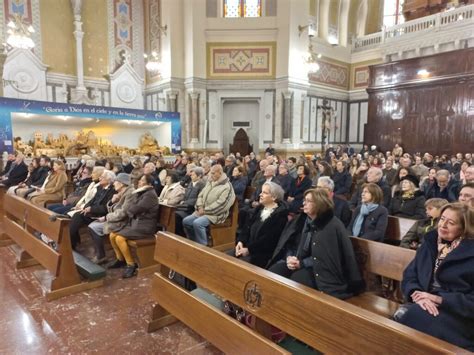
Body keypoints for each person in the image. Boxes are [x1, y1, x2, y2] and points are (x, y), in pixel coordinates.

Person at [396, 203, 474, 351]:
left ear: (464, 228)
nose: (443, 225)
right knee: (411, 316)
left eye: (451, 223)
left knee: (413, 317)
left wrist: (439, 299)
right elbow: (410, 275)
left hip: (458, 313)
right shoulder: (430, 243)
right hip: (423, 304)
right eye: (442, 219)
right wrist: (418, 295)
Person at [268, 188, 363, 299]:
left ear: (319, 204)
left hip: (325, 273)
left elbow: (325, 259)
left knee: (298, 279)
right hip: (306, 263)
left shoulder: (330, 226)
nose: (304, 203)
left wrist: (302, 264)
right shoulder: (307, 220)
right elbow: (297, 246)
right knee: (275, 271)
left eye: (308, 201)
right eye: (304, 200)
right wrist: (292, 259)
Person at [107, 174, 160, 278]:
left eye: (142, 180)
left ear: (149, 184)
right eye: (139, 180)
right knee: (112, 235)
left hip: (145, 227)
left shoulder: (150, 195)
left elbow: (135, 209)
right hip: (136, 224)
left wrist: (131, 210)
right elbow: (131, 208)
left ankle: (131, 264)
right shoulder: (141, 192)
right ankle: (120, 259)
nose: (139, 182)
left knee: (119, 238)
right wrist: (131, 209)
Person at [230, 182, 288, 268]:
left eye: (265, 193)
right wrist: (240, 241)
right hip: (246, 247)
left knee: (235, 266)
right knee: (226, 257)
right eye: (261, 191)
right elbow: (246, 228)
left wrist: (249, 250)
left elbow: (268, 240)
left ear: (274, 197)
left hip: (261, 254)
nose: (260, 194)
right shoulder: (259, 209)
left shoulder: (280, 216)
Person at [183, 164, 235, 245]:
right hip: (202, 211)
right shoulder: (210, 182)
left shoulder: (227, 187)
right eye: (211, 173)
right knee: (186, 221)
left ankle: (203, 246)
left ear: (220, 173)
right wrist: (199, 207)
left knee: (198, 223)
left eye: (213, 173)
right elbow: (200, 195)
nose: (211, 175)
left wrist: (205, 210)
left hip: (216, 214)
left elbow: (222, 205)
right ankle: (193, 242)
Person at [87, 173, 134, 264]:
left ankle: (102, 256)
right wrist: (112, 201)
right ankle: (116, 258)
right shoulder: (121, 193)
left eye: (116, 181)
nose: (113, 184)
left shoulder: (129, 194)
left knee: (94, 227)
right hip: (117, 219)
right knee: (92, 226)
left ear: (122, 183)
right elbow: (112, 209)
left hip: (123, 222)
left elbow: (122, 213)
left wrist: (106, 218)